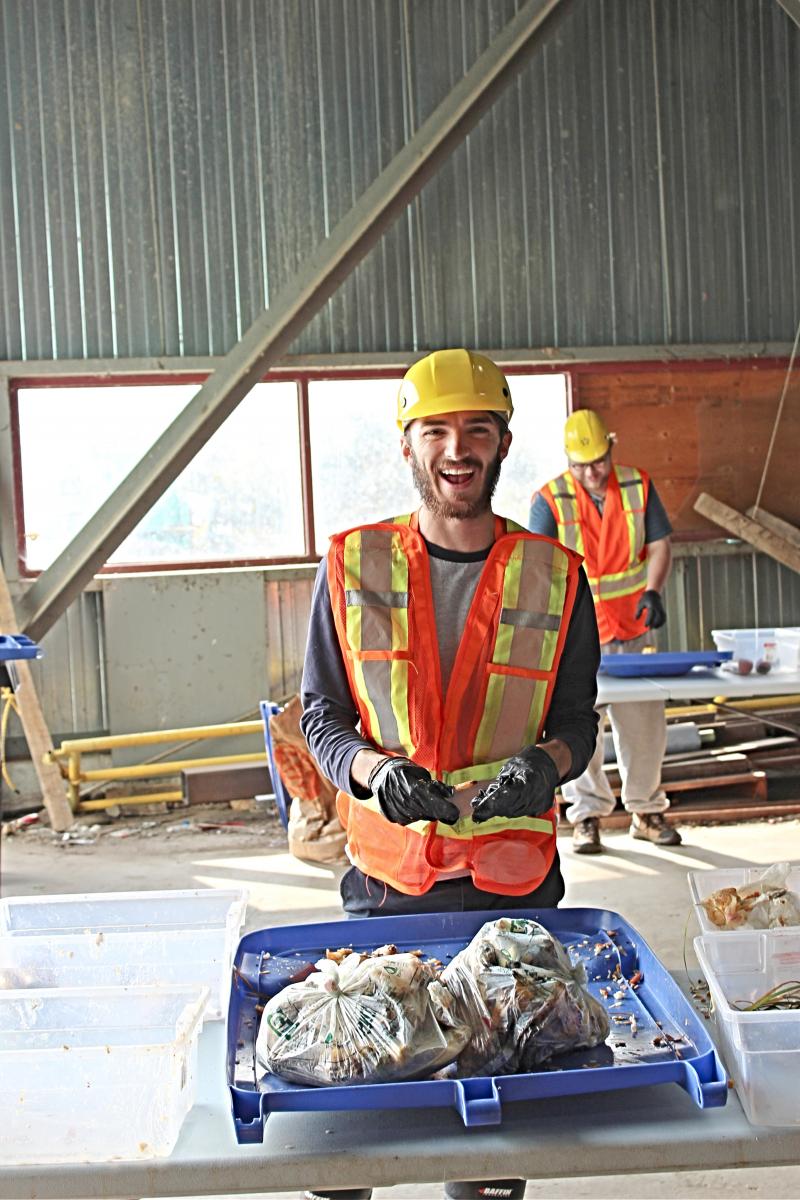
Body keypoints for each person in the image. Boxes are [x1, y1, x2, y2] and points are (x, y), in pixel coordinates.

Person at [300, 348, 600, 1200]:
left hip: (509, 891)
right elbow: (322, 716)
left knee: (487, 1138)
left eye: (476, 428)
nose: (456, 448)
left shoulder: (557, 574)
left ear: (504, 443)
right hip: (387, 885)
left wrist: (545, 769)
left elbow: (577, 722)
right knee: (351, 1118)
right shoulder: (352, 566)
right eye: (436, 429)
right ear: (408, 446)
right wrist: (370, 771)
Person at [529, 409, 681, 855]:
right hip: (578, 638)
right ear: (568, 461)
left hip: (633, 628)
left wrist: (653, 591)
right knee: (577, 726)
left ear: (611, 448)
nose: (592, 472)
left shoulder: (638, 485)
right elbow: (541, 568)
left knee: (645, 724)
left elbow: (659, 546)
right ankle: (587, 816)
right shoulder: (550, 500)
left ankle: (647, 811)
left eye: (599, 461)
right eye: (582, 465)